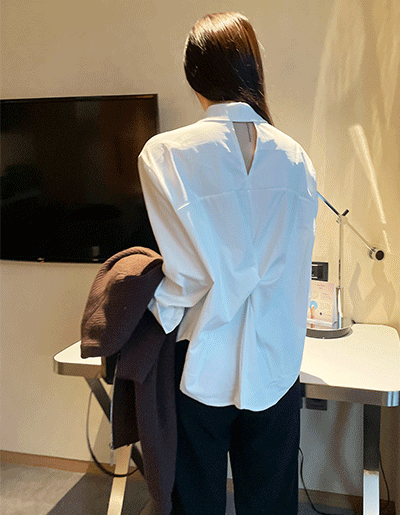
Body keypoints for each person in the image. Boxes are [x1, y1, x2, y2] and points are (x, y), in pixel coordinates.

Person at [138, 11, 318, 515]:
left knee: (194, 501)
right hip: (276, 360)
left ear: (193, 74)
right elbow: (295, 271)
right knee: (272, 502)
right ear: (252, 69)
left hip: (200, 355)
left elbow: (187, 277)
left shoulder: (164, 153)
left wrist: (146, 312)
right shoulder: (298, 158)